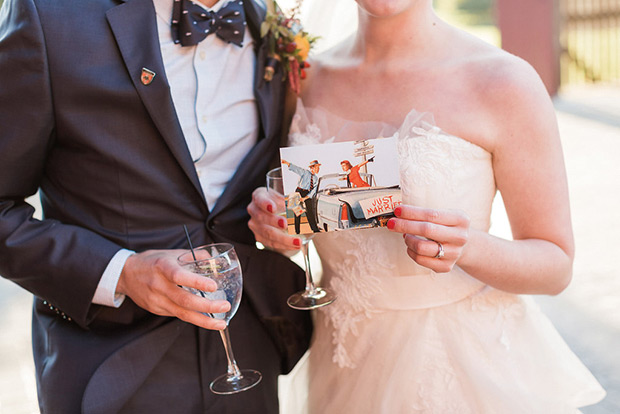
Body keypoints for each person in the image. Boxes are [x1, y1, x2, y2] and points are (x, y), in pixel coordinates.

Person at [247, 0, 607, 412]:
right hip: (344, 364)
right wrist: (280, 229)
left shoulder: (503, 81)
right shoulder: (306, 79)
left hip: (463, 371)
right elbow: (310, 225)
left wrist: (466, 246)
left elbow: (556, 265)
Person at [0, 0, 312, 412]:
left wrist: (280, 223)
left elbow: (270, 182)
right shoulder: (49, 15)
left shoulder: (268, 21)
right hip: (109, 364)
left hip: (247, 353)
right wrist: (122, 272)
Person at [281, 159, 322, 233]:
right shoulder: (305, 172)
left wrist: (305, 198)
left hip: (307, 194)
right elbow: (296, 169)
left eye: (318, 167)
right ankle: (297, 231)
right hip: (299, 192)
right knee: (297, 212)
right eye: (317, 167)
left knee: (310, 212)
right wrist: (287, 163)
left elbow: (314, 190)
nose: (318, 169)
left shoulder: (316, 178)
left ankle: (315, 230)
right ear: (312, 167)